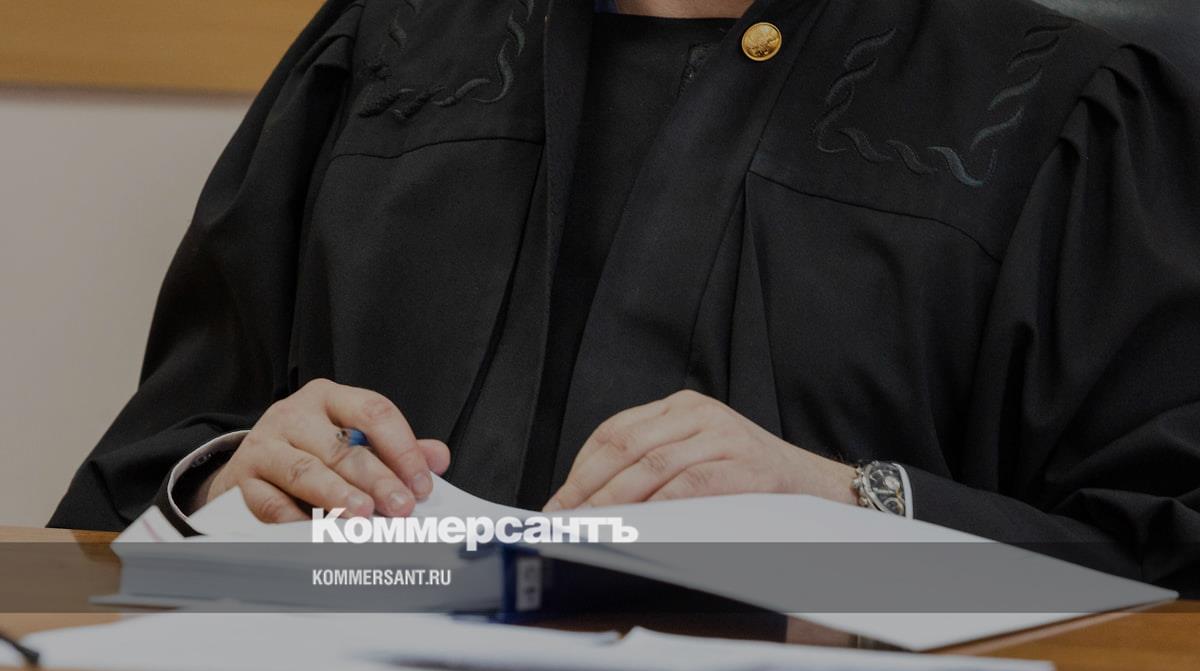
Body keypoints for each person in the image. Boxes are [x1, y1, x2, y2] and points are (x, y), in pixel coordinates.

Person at [49, 0, 1200, 594]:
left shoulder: (1054, 110)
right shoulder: (381, 49)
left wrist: (850, 502)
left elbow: (1163, 553)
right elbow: (137, 484)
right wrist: (235, 477)